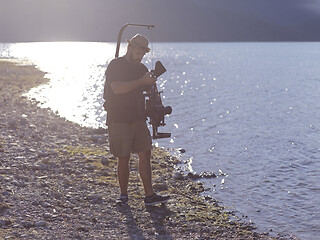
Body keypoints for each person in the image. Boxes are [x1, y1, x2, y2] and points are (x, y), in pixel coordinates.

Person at [103, 34, 170, 206]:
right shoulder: (115, 65)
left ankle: (149, 196)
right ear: (129, 48)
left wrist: (158, 104)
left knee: (145, 153)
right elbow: (117, 88)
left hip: (138, 117)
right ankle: (123, 196)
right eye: (138, 52)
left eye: (143, 53)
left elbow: (151, 90)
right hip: (118, 118)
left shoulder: (142, 69)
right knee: (123, 157)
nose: (140, 56)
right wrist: (141, 81)